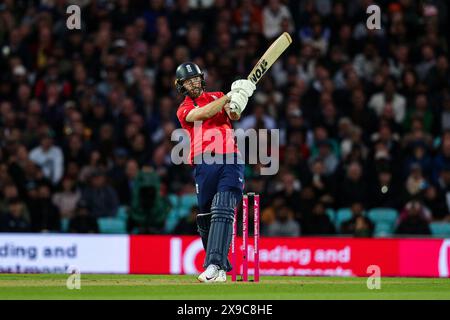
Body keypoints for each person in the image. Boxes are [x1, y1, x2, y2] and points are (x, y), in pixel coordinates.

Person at [175, 62, 255, 282]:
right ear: (181, 86)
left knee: (223, 209)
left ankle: (213, 265)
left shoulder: (217, 95)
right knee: (206, 217)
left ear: (202, 79)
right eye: (188, 81)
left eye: (196, 78)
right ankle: (221, 268)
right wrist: (229, 95)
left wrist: (241, 97)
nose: (193, 83)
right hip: (203, 162)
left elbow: (234, 114)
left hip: (230, 158)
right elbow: (204, 113)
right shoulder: (183, 109)